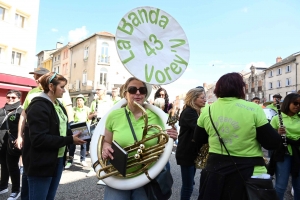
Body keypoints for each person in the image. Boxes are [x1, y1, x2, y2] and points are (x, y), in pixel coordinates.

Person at [193, 72, 281, 200]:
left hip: (215, 171)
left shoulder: (207, 110)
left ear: (218, 89)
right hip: (249, 171)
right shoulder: (253, 108)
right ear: (241, 88)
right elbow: (271, 143)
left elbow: (198, 139)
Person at [102, 77, 178, 200]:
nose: (137, 93)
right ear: (125, 93)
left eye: (142, 90)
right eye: (132, 89)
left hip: (147, 178)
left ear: (145, 94)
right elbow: (106, 141)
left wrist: (173, 135)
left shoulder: (159, 116)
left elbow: (167, 140)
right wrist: (106, 148)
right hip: (118, 175)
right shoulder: (114, 115)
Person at [23, 72, 85, 200]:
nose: (64, 90)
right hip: (41, 162)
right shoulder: (38, 106)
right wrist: (69, 139)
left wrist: (76, 134)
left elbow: (60, 128)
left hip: (57, 159)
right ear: (51, 87)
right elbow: (39, 139)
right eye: (62, 87)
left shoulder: (57, 104)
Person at [176, 87, 206, 200]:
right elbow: (198, 129)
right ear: (194, 99)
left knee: (190, 183)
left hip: (190, 153)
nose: (205, 100)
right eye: (202, 98)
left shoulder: (194, 111)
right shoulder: (189, 112)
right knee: (188, 186)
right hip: (186, 153)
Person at [269, 93, 300, 200]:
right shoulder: (276, 118)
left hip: (298, 154)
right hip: (283, 154)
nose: (298, 106)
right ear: (287, 103)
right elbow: (270, 139)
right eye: (295, 103)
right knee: (281, 186)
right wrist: (277, 133)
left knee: (299, 186)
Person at [86, 84, 113, 177]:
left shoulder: (109, 102)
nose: (97, 91)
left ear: (104, 91)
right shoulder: (94, 102)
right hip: (95, 126)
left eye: (99, 90)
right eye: (96, 90)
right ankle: (93, 167)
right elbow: (88, 116)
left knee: (104, 147)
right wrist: (93, 115)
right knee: (93, 147)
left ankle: (104, 167)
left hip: (106, 126)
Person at [0, 90, 23, 200]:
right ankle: (3, 186)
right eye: (8, 97)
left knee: (13, 167)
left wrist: (20, 138)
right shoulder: (2, 110)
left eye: (13, 97)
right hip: (1, 143)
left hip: (13, 144)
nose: (10, 99)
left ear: (19, 98)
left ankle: (15, 190)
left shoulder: (21, 111)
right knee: (3, 166)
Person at [65, 94, 90, 169]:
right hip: (75, 127)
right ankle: (70, 161)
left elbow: (89, 119)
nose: (79, 102)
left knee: (83, 145)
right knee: (72, 145)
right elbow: (71, 118)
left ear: (83, 101)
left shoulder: (87, 109)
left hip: (84, 127)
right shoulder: (73, 109)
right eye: (78, 100)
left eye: (80, 100)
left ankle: (83, 160)